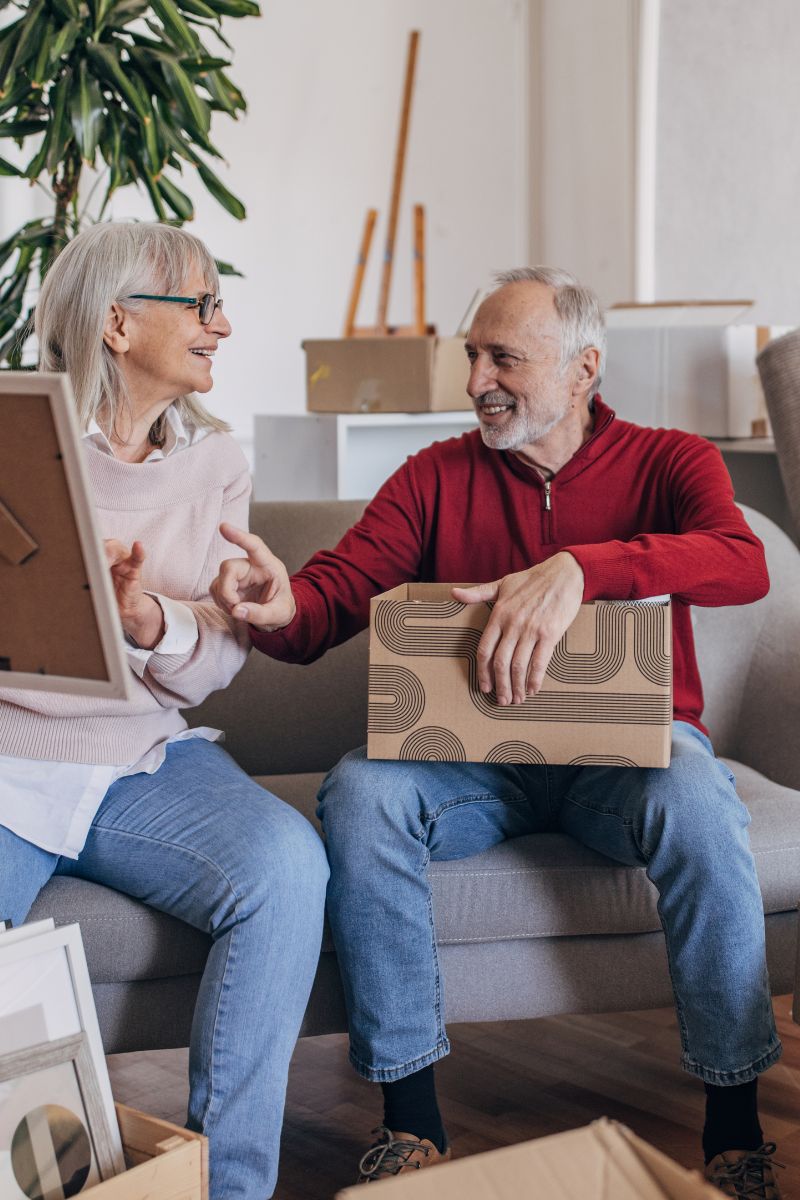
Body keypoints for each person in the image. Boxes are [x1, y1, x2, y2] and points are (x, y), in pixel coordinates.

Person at [212, 267, 781, 1198]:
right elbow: (335, 595)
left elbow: (742, 563)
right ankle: (410, 1120)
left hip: (629, 759)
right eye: (472, 355)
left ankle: (733, 1122)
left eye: (503, 357)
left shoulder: (673, 461)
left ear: (583, 367)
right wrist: (283, 606)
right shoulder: (433, 477)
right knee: (363, 788)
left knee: (696, 796)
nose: (477, 378)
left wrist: (582, 569)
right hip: (474, 769)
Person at [0, 222, 329, 1200]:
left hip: (139, 756)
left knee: (283, 863)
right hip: (10, 755)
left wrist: (147, 616)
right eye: (200, 305)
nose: (221, 326)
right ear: (114, 322)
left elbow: (218, 658)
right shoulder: (9, 432)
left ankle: (226, 1187)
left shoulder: (216, 463)